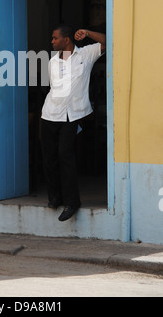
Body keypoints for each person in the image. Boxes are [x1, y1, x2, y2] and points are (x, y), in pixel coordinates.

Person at [41, 25, 106, 222]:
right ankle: (55, 197)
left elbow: (108, 41)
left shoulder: (85, 54)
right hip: (50, 114)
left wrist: (87, 33)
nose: (51, 41)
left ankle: (72, 202)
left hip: (72, 115)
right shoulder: (52, 61)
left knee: (65, 155)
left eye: (54, 38)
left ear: (66, 39)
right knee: (50, 158)